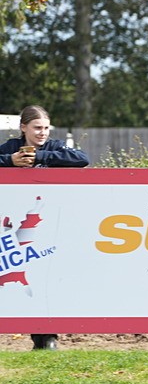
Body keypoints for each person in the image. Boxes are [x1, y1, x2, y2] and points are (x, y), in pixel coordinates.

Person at [1, 105, 90, 350]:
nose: (42, 133)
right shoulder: (9, 148)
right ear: (23, 128)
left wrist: (40, 157)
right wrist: (10, 161)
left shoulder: (55, 147)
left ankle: (46, 337)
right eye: (37, 128)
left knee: (45, 278)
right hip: (14, 226)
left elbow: (83, 159)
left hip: (50, 223)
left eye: (46, 128)